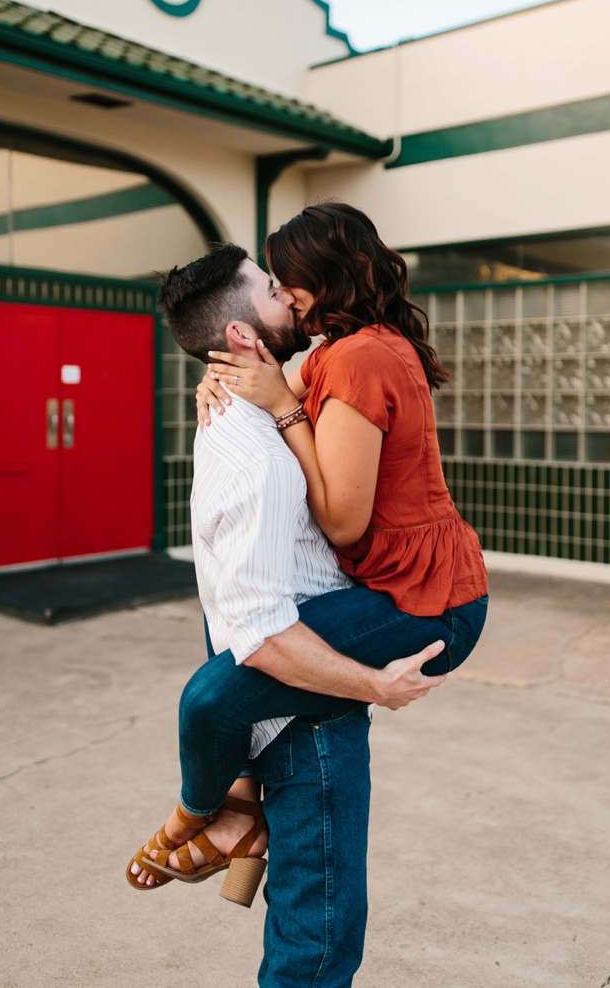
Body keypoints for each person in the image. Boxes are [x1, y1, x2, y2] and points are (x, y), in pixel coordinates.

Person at [129, 206, 488, 927]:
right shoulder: (332, 352)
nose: (285, 293)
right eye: (273, 284)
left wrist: (285, 407)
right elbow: (275, 374)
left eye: (285, 278)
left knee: (213, 697)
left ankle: (210, 819)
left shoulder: (358, 358)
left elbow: (345, 521)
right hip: (390, 579)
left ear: (325, 277)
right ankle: (236, 814)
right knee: (228, 622)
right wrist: (224, 380)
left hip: (422, 597)